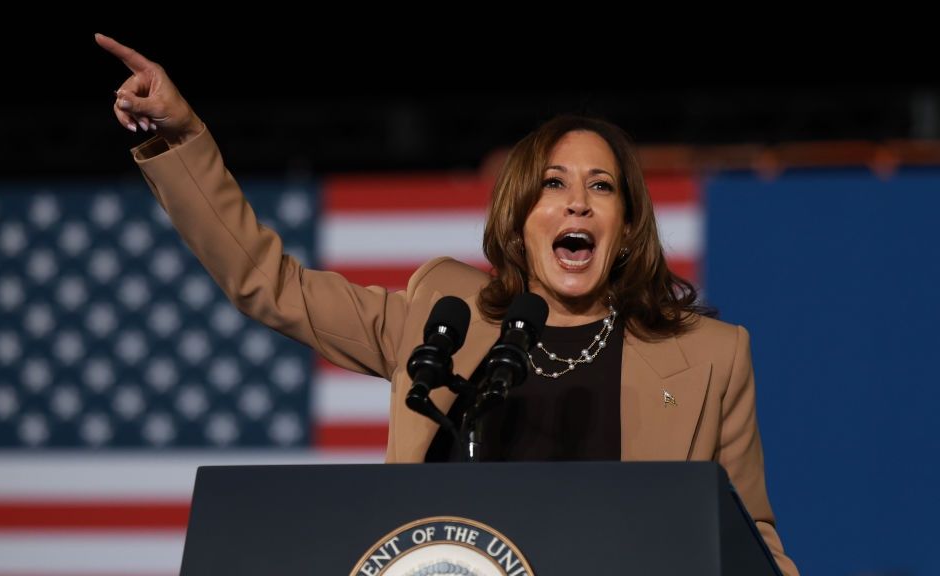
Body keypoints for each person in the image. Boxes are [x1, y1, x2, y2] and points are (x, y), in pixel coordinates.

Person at [95, 33, 799, 575]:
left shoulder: (709, 358)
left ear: (626, 230)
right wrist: (182, 138)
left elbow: (748, 536)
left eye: (602, 186)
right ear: (519, 222)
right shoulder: (442, 317)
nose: (578, 202)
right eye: (554, 184)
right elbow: (268, 283)